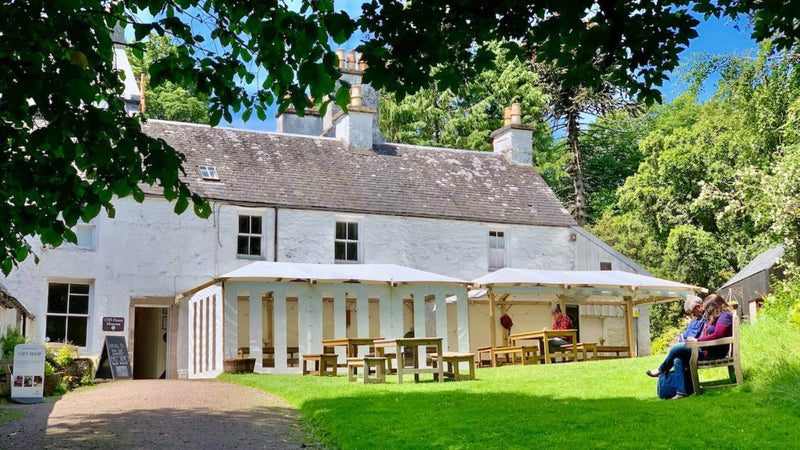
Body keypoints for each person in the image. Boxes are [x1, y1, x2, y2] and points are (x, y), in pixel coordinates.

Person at [646, 294, 734, 399]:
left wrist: (697, 341)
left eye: (707, 308)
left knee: (676, 348)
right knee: (678, 358)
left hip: (712, 352)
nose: (706, 310)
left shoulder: (725, 316)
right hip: (706, 349)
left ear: (714, 306)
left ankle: (662, 369)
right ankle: (681, 393)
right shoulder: (717, 318)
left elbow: (718, 335)